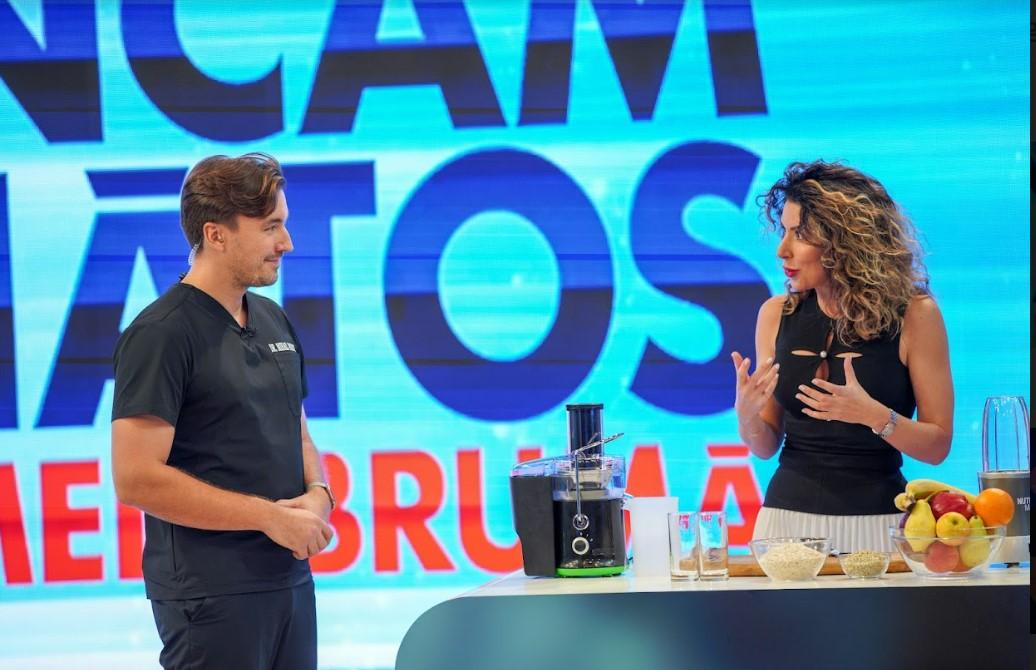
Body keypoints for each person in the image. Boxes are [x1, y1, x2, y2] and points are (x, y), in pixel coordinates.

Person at [111, 153, 335, 670]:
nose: (287, 242)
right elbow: (135, 479)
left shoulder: (273, 318)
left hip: (289, 581)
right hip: (211, 595)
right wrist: (269, 518)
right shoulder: (161, 334)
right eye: (271, 227)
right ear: (216, 235)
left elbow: (297, 431)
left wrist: (319, 493)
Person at [731, 159, 953, 553]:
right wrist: (746, 416)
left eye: (800, 234)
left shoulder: (916, 315)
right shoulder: (775, 314)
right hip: (784, 525)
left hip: (880, 526)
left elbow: (937, 447)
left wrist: (873, 415)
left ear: (844, 241)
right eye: (784, 231)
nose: (782, 250)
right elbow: (765, 446)